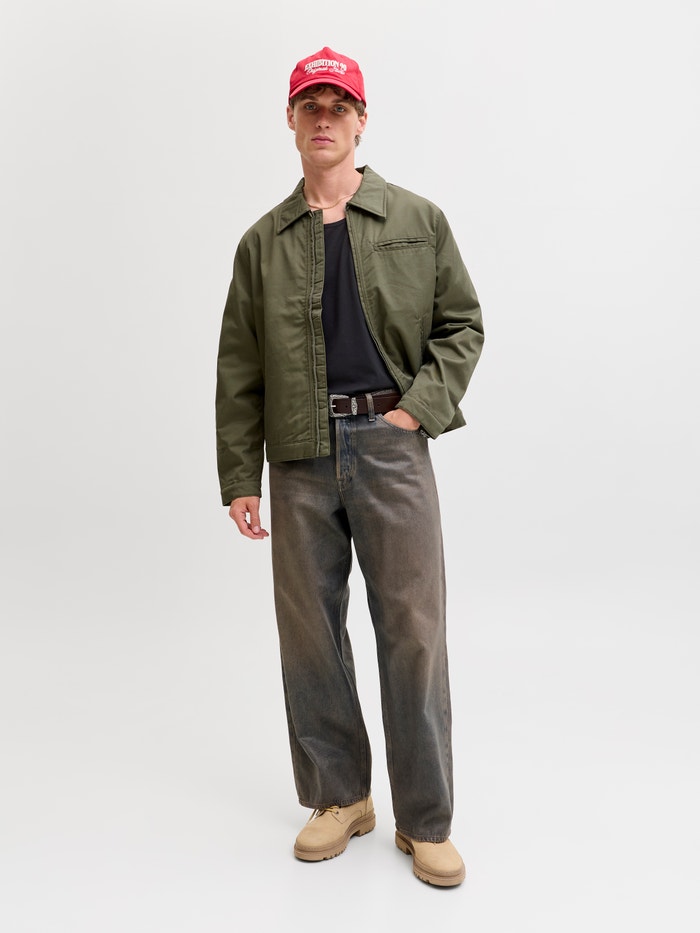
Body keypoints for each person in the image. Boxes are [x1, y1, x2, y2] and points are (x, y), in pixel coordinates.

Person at [216, 46, 484, 887]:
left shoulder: (416, 219)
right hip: (298, 454)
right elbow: (239, 366)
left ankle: (426, 819)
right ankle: (341, 796)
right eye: (311, 105)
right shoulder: (263, 243)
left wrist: (416, 412)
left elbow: (462, 325)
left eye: (339, 105)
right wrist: (240, 474)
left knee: (413, 629)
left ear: (362, 121)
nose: (324, 118)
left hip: (391, 445)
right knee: (310, 634)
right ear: (292, 121)